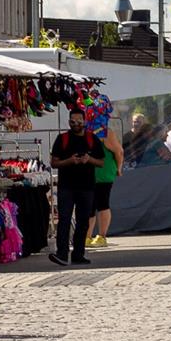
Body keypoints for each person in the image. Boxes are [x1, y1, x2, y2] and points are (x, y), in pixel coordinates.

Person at [48, 108, 104, 266]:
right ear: (69, 122)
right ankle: (62, 253)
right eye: (73, 122)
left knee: (83, 221)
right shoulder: (63, 139)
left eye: (79, 121)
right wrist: (70, 161)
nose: (76, 124)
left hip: (87, 186)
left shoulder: (92, 139)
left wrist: (89, 159)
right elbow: (54, 162)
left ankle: (79, 254)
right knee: (64, 219)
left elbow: (101, 161)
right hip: (67, 186)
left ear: (85, 122)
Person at [86, 125, 124, 248]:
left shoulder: (105, 132)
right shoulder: (81, 131)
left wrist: (118, 168)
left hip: (103, 173)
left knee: (102, 204)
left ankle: (102, 236)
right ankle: (86, 237)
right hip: (87, 174)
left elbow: (119, 152)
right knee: (88, 206)